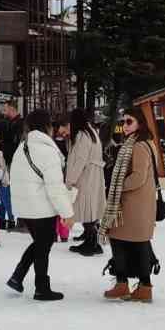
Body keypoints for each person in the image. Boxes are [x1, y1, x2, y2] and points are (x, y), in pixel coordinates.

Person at [6, 109, 74, 301]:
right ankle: (41, 288)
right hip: (41, 207)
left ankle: (18, 276)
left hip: (25, 207)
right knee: (43, 247)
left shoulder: (23, 147)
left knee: (40, 244)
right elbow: (55, 187)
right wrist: (67, 213)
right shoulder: (46, 150)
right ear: (47, 127)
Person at [100, 108, 163, 301]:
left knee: (129, 243)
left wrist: (116, 187)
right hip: (136, 205)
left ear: (140, 124)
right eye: (124, 121)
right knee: (134, 243)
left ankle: (133, 285)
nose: (125, 126)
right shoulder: (142, 142)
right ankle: (133, 285)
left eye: (129, 122)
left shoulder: (138, 146)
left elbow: (139, 177)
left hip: (133, 205)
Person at [65, 109, 107, 256]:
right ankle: (92, 242)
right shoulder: (92, 132)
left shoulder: (82, 135)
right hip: (94, 174)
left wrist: (70, 180)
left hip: (86, 176)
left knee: (86, 209)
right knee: (90, 209)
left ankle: (90, 244)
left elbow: (80, 160)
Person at [0, 102, 24, 231]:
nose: (3, 112)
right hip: (3, 159)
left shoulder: (19, 124)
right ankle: (3, 218)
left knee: (5, 189)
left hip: (10, 161)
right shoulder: (8, 123)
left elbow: (16, 144)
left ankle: (9, 218)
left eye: (5, 110)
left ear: (12, 110)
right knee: (1, 188)